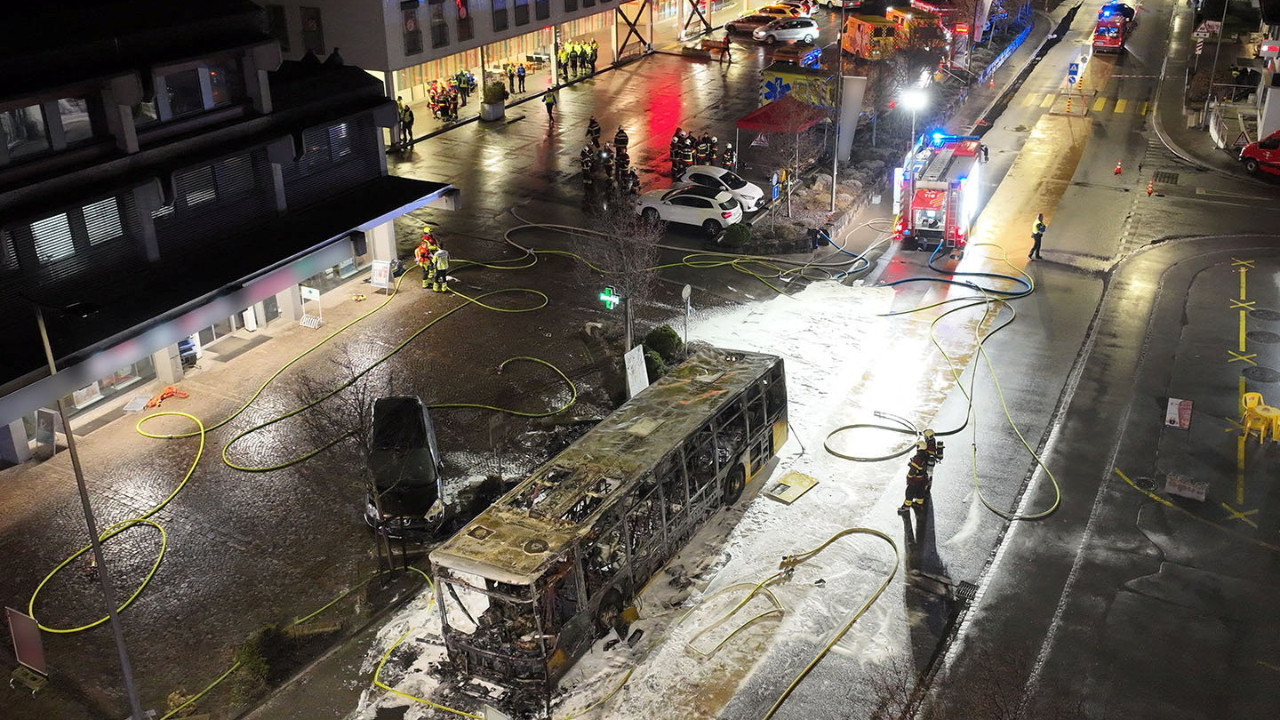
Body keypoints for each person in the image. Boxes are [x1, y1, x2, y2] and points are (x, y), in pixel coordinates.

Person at [898, 442, 932, 515]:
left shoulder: (918, 458)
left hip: (915, 480)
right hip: (922, 478)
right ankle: (919, 503)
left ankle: (906, 507)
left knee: (909, 492)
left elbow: (913, 470)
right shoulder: (926, 455)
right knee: (920, 491)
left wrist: (909, 477)